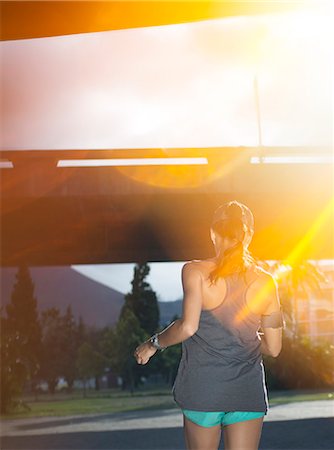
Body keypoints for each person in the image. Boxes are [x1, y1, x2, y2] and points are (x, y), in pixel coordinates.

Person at [134, 200, 285, 450]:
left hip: (203, 391)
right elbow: (275, 347)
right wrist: (243, 337)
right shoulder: (267, 283)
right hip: (246, 393)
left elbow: (187, 327)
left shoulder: (195, 272)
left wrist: (153, 344)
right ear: (248, 235)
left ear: (213, 233)